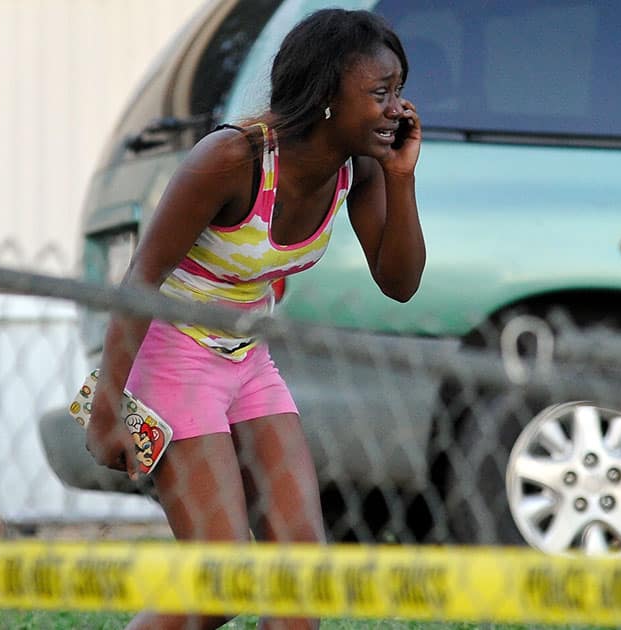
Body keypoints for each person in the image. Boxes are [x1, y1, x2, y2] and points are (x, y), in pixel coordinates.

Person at [85, 8, 424, 630]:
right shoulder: (233, 159)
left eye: (398, 91)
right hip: (171, 353)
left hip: (247, 356)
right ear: (326, 95)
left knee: (299, 585)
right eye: (380, 93)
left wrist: (401, 179)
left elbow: (400, 282)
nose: (397, 110)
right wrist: (108, 410)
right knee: (222, 578)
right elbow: (140, 281)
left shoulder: (362, 166)